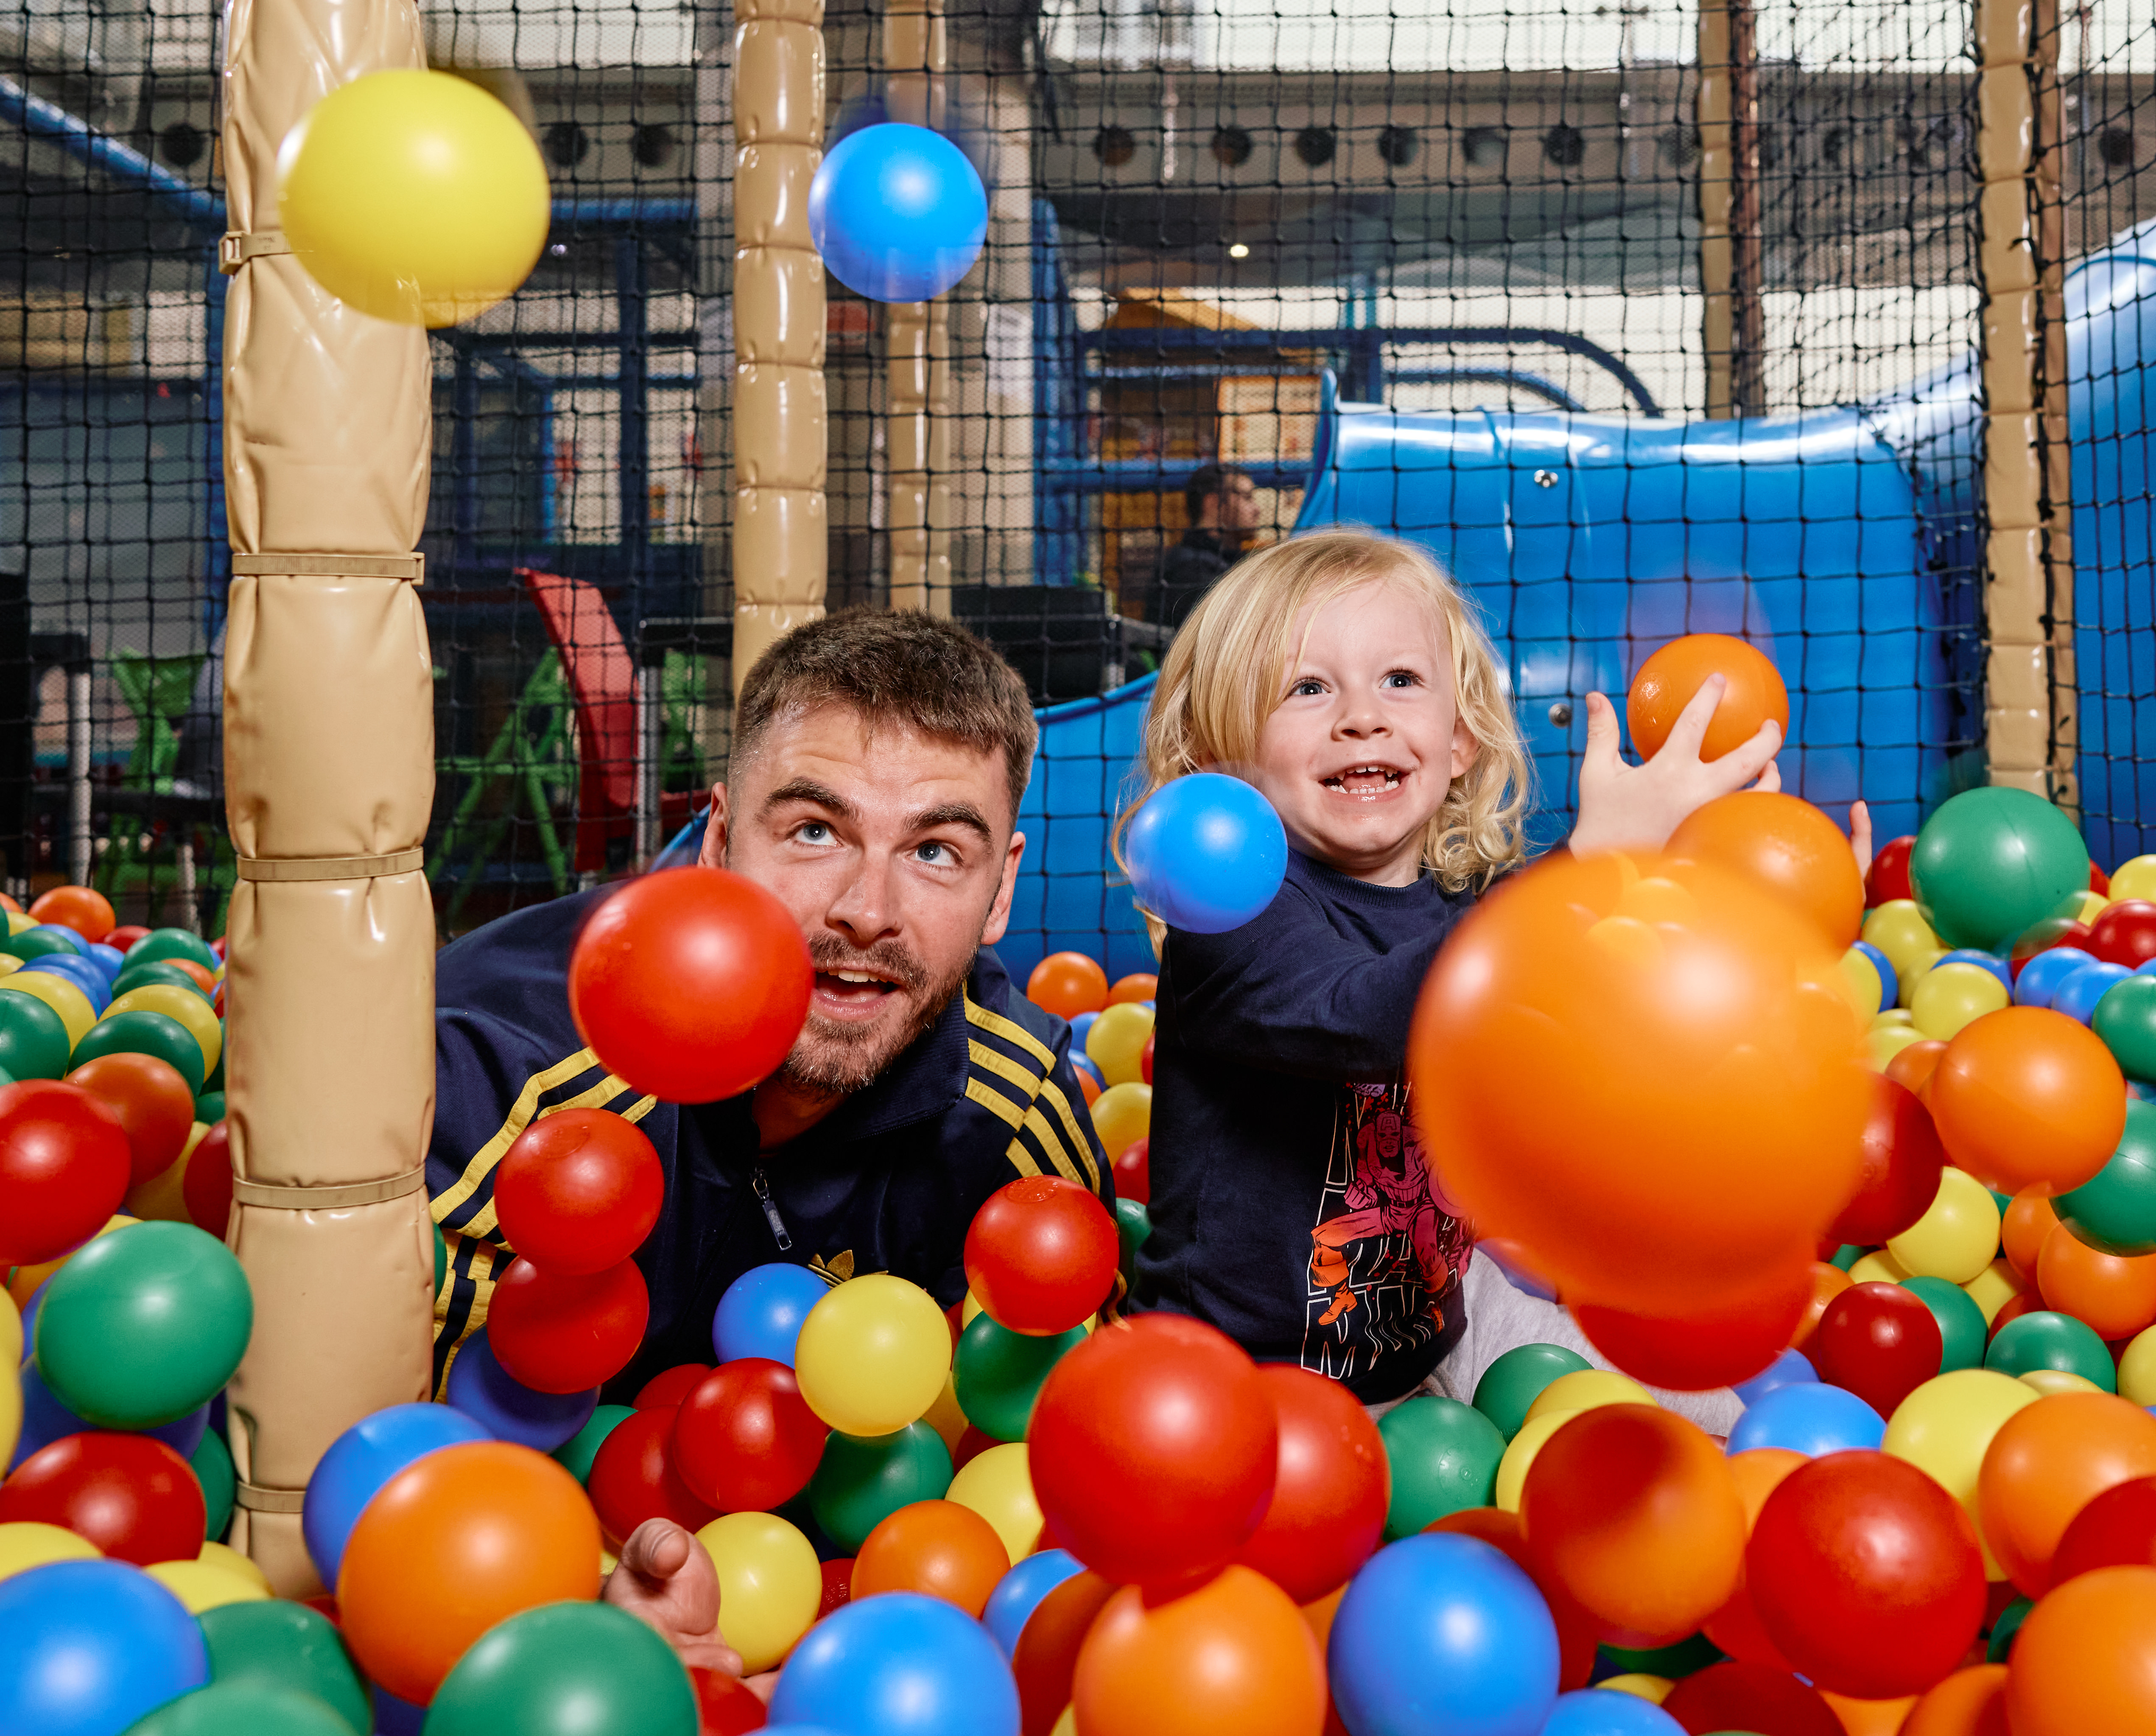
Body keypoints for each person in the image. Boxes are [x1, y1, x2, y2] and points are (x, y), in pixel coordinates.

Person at [1121, 528, 1867, 1422]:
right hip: (1248, 1377)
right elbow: (1365, 1016)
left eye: (1401, 680)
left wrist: (1744, 900)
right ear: (1220, 757)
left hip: (1444, 1322)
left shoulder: (1463, 905)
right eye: (1307, 688)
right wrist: (1591, 863)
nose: (1362, 717)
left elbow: (1586, 1033)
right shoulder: (1230, 919)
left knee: (1714, 1427)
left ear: (1462, 737)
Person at [426, 607, 1110, 1400]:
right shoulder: (513, 1079)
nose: (867, 911)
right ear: (718, 845)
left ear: (1002, 890)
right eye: (815, 831)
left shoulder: (1011, 1102)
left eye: (934, 851)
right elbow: (417, 1433)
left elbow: (1084, 1411)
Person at [1150, 462, 1261, 630]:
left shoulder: (1229, 561)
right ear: (1214, 503)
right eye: (1247, 498)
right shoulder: (1190, 568)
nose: (1257, 510)